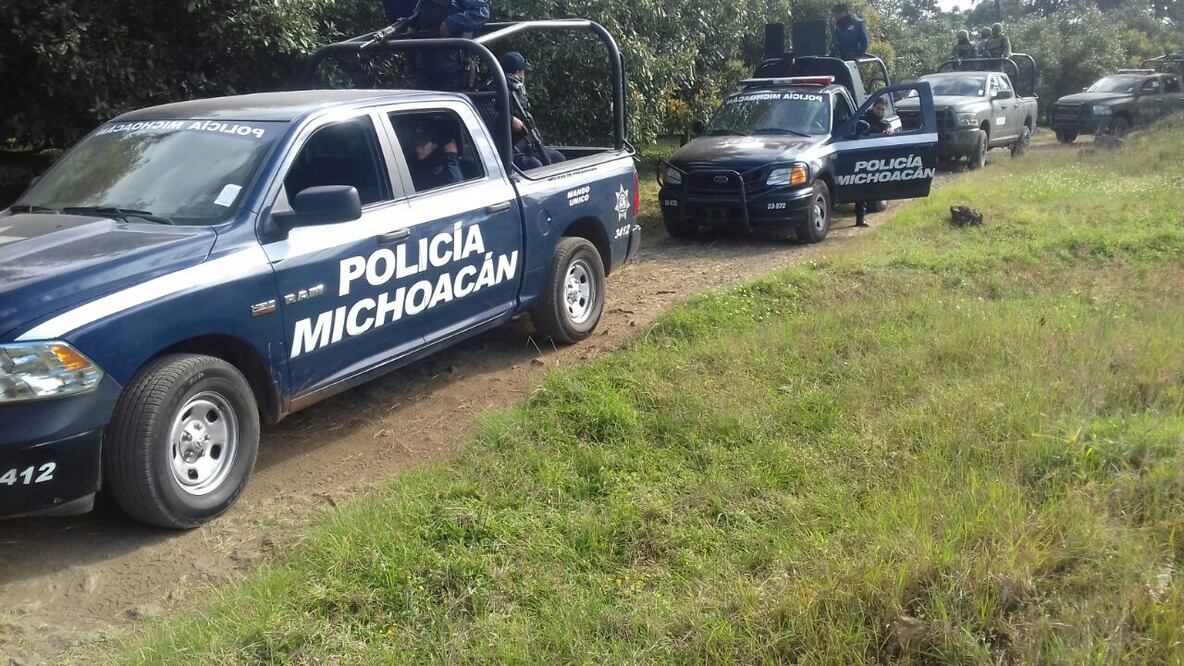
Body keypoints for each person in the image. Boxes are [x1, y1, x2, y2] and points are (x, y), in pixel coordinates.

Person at [482, 51, 566, 170]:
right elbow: (485, 114)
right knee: (534, 165)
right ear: (518, 71)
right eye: (523, 72)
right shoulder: (494, 88)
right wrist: (510, 120)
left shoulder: (516, 89)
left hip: (525, 145)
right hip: (505, 150)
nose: (524, 76)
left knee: (557, 158)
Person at [394, 0, 490, 91]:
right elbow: (416, 17)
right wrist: (406, 26)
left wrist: (451, 22)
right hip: (425, 65)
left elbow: (482, 12)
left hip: (450, 65)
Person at [855, 98, 892, 227]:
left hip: (875, 159)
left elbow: (886, 128)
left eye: (883, 109)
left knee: (869, 188)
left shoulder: (884, 124)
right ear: (873, 107)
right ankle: (860, 218)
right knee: (861, 188)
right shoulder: (863, 118)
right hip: (860, 156)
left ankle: (863, 216)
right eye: (878, 108)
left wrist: (889, 130)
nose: (880, 111)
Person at [407, 121, 463, 190]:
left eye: (422, 144)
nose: (418, 149)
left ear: (435, 144)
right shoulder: (411, 163)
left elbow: (458, 188)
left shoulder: (445, 165)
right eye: (416, 144)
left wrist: (451, 158)